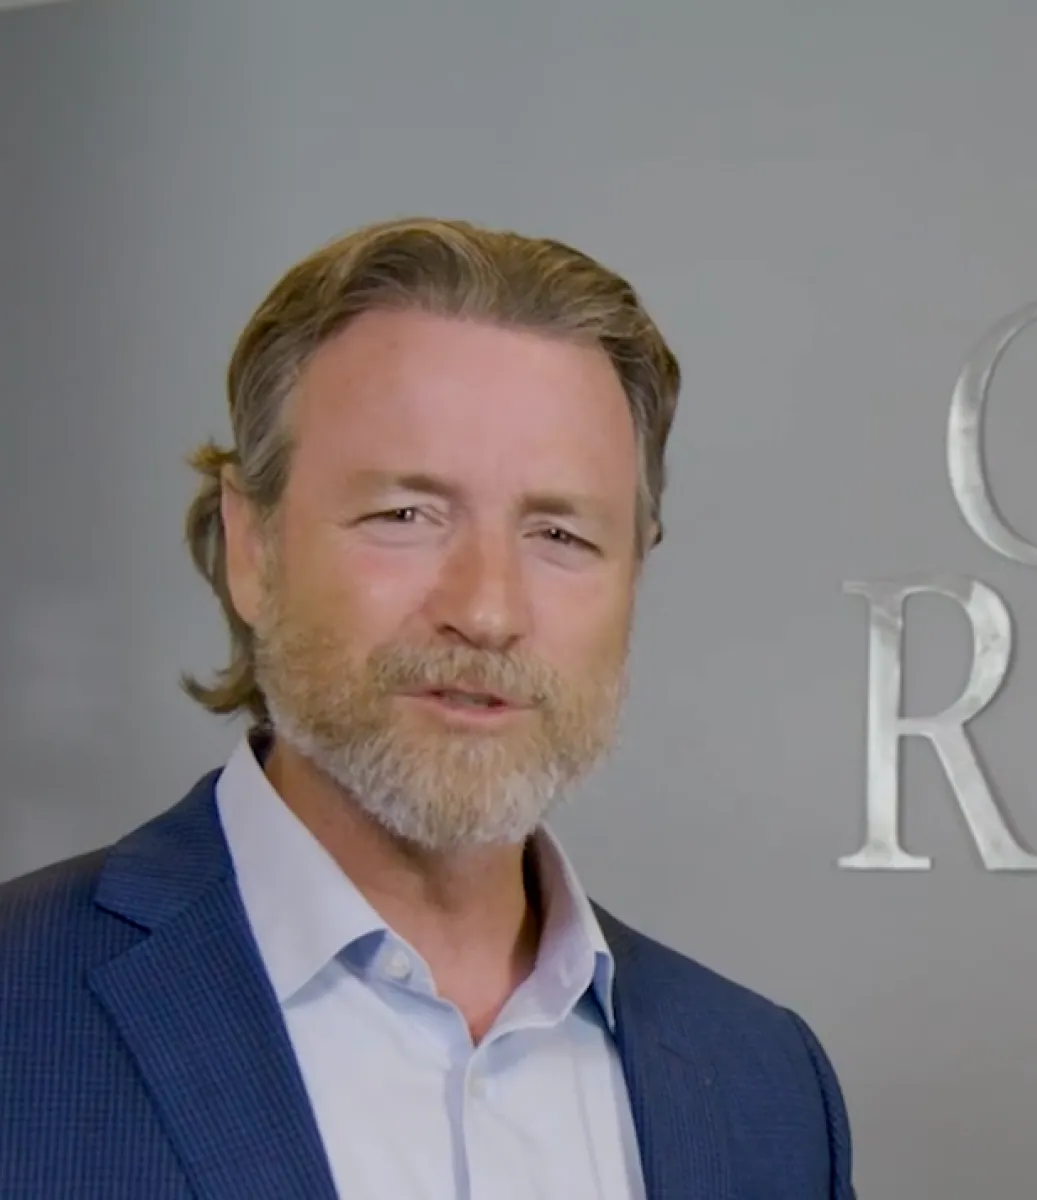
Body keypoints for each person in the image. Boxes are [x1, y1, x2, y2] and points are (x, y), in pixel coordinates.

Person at [0, 217, 855, 1198]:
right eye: (405, 515)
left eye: (560, 533)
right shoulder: (19, 1008)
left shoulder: (765, 1089)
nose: (486, 610)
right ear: (252, 545)